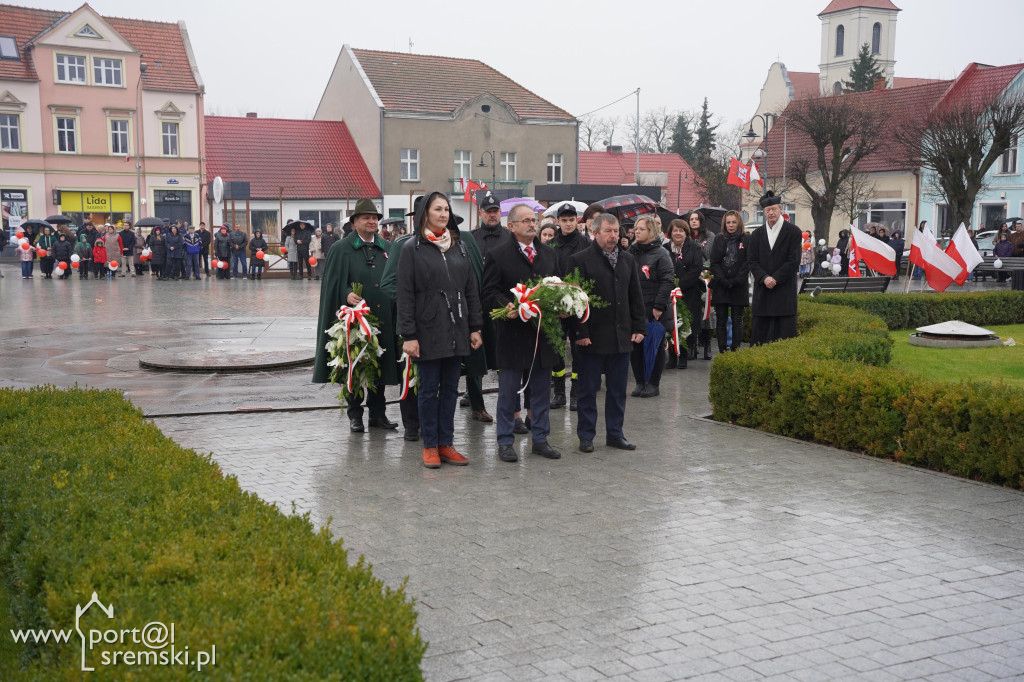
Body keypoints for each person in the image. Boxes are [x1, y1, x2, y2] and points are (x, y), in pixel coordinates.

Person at [396, 192, 483, 469]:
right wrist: (408, 335)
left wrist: (475, 327)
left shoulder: (459, 247)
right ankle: (430, 446)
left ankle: (447, 443)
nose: (443, 214)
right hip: (427, 329)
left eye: (446, 209)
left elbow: (470, 289)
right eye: (437, 209)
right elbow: (405, 293)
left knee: (450, 390)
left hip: (457, 328)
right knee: (428, 389)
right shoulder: (412, 248)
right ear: (425, 214)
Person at [482, 203, 562, 462]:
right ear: (511, 226)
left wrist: (563, 305)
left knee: (540, 389)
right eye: (526, 220)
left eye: (534, 219)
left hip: (541, 333)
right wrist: (504, 306)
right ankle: (505, 441)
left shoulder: (549, 254)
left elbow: (558, 287)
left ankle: (540, 438)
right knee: (508, 392)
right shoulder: (498, 254)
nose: (532, 224)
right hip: (512, 334)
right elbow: (489, 291)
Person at [313, 199, 399, 433]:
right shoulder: (341, 249)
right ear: (354, 222)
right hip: (354, 322)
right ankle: (355, 415)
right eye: (366, 218)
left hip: (383, 318)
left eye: (375, 218)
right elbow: (333, 284)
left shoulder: (387, 248)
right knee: (356, 365)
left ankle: (378, 414)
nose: (372, 221)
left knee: (379, 365)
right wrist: (347, 293)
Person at [566, 213, 646, 453]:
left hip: (621, 336)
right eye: (608, 231)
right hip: (591, 337)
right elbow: (573, 301)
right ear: (595, 232)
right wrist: (580, 332)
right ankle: (586, 436)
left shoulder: (627, 260)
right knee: (588, 390)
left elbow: (635, 296)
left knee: (618, 390)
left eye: (616, 231)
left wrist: (639, 327)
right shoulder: (579, 260)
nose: (613, 236)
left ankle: (615, 433)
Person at [461, 191, 508, 422]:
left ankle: (510, 405)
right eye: (488, 212)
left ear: (500, 213)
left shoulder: (510, 237)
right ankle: (476, 403)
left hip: (502, 306)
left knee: (504, 356)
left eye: (495, 211)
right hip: (477, 306)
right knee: (475, 356)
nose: (492, 215)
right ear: (480, 213)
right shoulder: (470, 238)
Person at [548, 203, 589, 410]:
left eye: (571, 220)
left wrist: (575, 303)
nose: (568, 223)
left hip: (579, 307)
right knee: (556, 350)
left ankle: (575, 393)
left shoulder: (586, 243)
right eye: (564, 220)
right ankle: (559, 393)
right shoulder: (551, 245)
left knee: (578, 349)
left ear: (577, 220)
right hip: (556, 307)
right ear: (558, 222)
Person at [627, 215, 673, 398]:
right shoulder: (631, 252)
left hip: (654, 308)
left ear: (651, 231)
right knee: (635, 346)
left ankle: (653, 383)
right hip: (636, 308)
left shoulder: (661, 254)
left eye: (641, 229)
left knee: (655, 345)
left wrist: (659, 306)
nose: (637, 232)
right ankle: (640, 382)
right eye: (636, 229)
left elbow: (667, 280)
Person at [748, 191, 802, 345]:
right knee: (760, 338)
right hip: (763, 291)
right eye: (767, 210)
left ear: (780, 209)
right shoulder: (756, 234)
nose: (771, 212)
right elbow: (751, 260)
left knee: (785, 338)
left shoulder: (793, 232)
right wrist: (764, 277)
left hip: (784, 292)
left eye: (774, 209)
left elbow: (794, 260)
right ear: (763, 212)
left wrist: (775, 278)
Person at [709, 210, 749, 353]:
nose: (731, 225)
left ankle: (735, 349)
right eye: (728, 222)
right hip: (722, 285)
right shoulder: (719, 239)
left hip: (739, 285)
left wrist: (736, 280)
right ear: (724, 224)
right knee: (721, 320)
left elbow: (748, 262)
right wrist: (723, 279)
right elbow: (714, 261)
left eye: (734, 222)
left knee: (737, 319)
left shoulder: (746, 239)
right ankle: (722, 349)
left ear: (739, 223)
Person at [670, 218, 703, 368]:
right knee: (670, 324)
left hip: (688, 293)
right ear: (670, 232)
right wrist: (671, 286)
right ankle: (671, 357)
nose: (678, 233)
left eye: (681, 230)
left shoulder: (695, 248)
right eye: (675, 230)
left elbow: (696, 269)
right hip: (669, 293)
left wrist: (679, 286)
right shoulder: (664, 248)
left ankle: (684, 356)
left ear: (686, 232)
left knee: (686, 324)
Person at [687, 210, 716, 360]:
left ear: (701, 221)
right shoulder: (687, 238)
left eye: (696, 219)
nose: (693, 221)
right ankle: (692, 345)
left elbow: (713, 257)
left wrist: (702, 270)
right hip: (691, 278)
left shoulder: (711, 237)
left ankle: (708, 346)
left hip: (706, 277)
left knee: (707, 311)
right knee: (692, 311)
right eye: (691, 219)